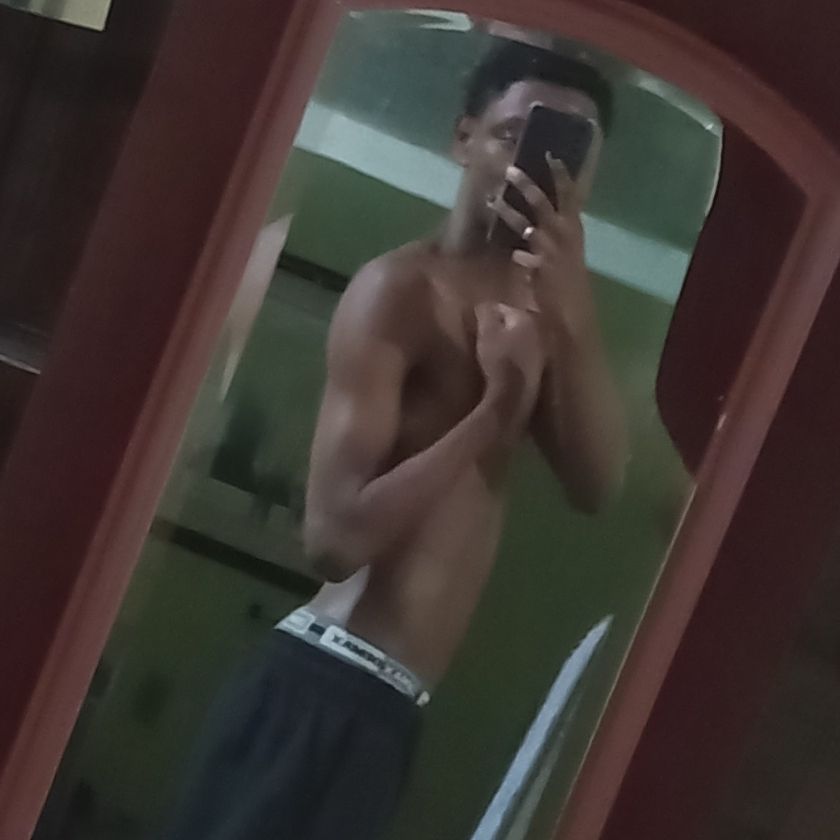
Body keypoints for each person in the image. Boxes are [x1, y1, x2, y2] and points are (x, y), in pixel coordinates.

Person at [161, 39, 626, 840]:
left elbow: (597, 485)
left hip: (389, 709)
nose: (535, 167)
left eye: (567, 152)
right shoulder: (400, 290)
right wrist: (494, 410)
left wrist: (574, 313)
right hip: (322, 679)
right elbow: (332, 540)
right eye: (513, 136)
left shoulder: (549, 322)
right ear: (463, 139)